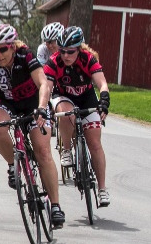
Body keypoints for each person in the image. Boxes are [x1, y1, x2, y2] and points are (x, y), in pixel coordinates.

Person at [0, 24, 65, 228]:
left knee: (43, 151)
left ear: (12, 46)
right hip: (6, 104)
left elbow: (43, 84)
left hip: (33, 105)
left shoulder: (26, 56)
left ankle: (56, 205)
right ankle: (12, 164)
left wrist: (42, 107)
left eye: (3, 49)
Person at [43, 26, 111, 206]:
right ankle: (66, 149)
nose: (65, 55)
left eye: (70, 52)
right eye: (62, 50)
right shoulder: (54, 61)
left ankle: (102, 189)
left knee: (95, 144)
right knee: (67, 113)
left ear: (79, 49)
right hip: (63, 96)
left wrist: (104, 100)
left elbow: (102, 83)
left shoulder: (88, 59)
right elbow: (47, 87)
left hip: (86, 97)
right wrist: (43, 106)